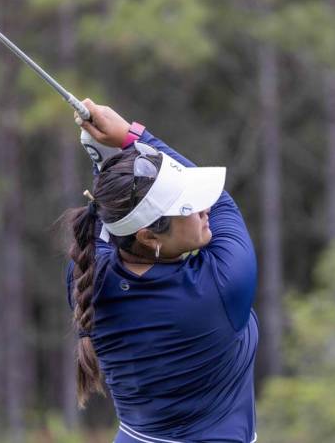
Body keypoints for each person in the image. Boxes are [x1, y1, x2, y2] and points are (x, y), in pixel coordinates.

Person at [64, 99, 258, 443]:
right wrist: (131, 136)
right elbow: (224, 203)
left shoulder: (88, 273)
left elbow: (108, 208)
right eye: (187, 205)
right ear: (148, 235)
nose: (204, 207)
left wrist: (108, 157)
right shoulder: (220, 287)